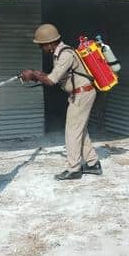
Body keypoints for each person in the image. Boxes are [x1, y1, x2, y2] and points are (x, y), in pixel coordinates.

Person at [20, 23, 102, 181]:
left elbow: (51, 80)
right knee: (80, 130)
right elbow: (55, 76)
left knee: (72, 131)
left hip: (82, 94)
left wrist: (34, 75)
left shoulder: (65, 54)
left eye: (41, 45)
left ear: (50, 43)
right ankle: (93, 164)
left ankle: (74, 169)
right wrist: (36, 74)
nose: (40, 48)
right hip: (79, 93)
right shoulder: (59, 53)